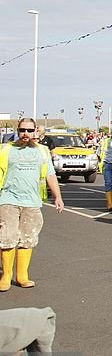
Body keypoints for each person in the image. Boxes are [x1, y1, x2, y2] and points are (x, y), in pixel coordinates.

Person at [0, 118, 65, 290]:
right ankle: (6, 275)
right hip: (8, 199)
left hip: (32, 201)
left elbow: (50, 175)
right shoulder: (6, 150)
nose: (25, 134)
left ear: (35, 131)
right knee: (7, 237)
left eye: (29, 130)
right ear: (18, 130)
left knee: (28, 238)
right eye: (22, 130)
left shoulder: (42, 151)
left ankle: (22, 276)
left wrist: (58, 196)